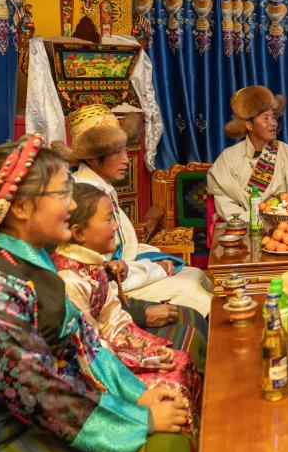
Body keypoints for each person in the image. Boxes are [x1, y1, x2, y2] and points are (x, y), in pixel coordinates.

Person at [0, 135, 193, 452]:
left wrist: (137, 397)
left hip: (32, 415)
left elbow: (86, 342)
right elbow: (39, 392)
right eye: (61, 194)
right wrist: (140, 419)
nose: (71, 205)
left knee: (173, 441)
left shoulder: (27, 260)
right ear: (22, 208)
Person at [52, 182, 202, 417]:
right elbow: (90, 350)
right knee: (174, 384)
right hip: (93, 377)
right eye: (108, 220)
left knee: (180, 360)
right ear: (79, 233)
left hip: (113, 353)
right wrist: (145, 359)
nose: (115, 226)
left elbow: (114, 319)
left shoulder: (92, 264)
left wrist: (149, 351)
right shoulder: (70, 280)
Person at [66, 105, 213, 318]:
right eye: (117, 152)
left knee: (196, 274)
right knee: (193, 291)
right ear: (91, 159)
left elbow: (125, 247)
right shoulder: (85, 196)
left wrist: (156, 262)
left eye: (125, 150)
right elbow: (105, 270)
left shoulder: (101, 186)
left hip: (130, 272)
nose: (126, 159)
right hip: (113, 287)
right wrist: (156, 268)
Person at [208, 85, 288, 221]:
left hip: (281, 224)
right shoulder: (228, 157)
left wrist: (276, 214)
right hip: (241, 225)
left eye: (274, 117)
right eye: (266, 118)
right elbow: (224, 202)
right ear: (249, 125)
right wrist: (254, 219)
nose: (273, 123)